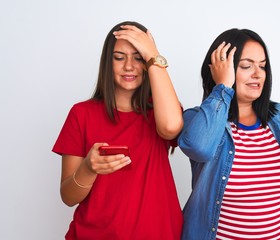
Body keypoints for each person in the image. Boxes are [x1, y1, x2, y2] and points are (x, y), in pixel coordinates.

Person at [178, 28, 280, 240]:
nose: (258, 74)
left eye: (263, 66)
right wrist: (222, 87)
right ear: (221, 70)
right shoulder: (198, 119)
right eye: (246, 66)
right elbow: (199, 148)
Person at [52, 21, 183, 239]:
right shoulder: (81, 114)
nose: (129, 66)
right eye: (119, 57)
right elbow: (68, 197)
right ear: (107, 62)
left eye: (139, 57)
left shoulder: (161, 111)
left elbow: (170, 127)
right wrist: (88, 168)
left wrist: (153, 53)